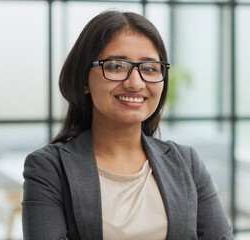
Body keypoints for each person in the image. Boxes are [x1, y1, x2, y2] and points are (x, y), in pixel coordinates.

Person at [22, 10, 234, 240]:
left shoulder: (187, 163)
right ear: (84, 80)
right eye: (115, 66)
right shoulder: (49, 168)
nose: (135, 83)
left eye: (149, 68)